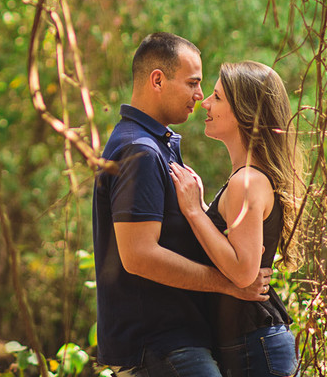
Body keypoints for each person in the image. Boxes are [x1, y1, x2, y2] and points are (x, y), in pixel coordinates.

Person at [93, 33, 272, 377]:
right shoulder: (140, 151)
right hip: (159, 345)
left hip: (174, 343)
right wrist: (229, 284)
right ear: (157, 80)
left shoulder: (154, 145)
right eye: (192, 83)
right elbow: (139, 255)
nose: (200, 96)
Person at [169, 61, 300, 377]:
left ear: (245, 113)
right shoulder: (247, 178)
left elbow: (243, 272)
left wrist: (194, 212)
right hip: (251, 346)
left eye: (217, 97)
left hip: (256, 348)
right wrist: (204, 208)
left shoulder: (247, 181)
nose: (205, 103)